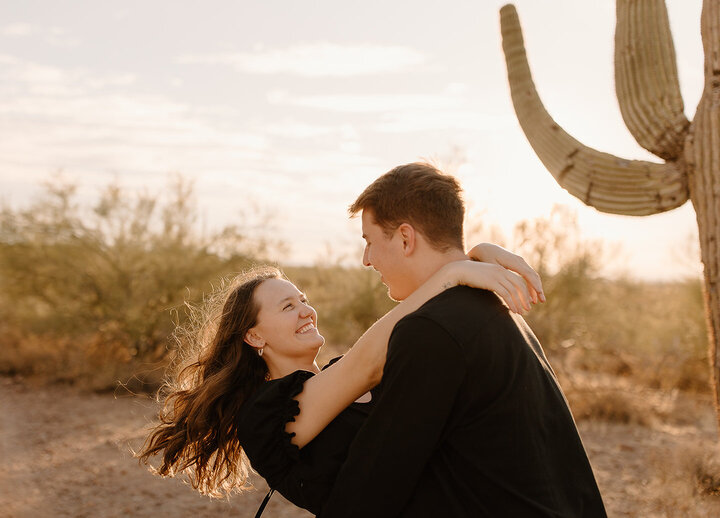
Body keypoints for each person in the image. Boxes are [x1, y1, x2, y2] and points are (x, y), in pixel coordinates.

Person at [138, 245, 543, 516]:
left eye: (304, 300)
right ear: (255, 336)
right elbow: (376, 352)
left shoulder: (339, 375)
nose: (306, 312)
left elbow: (414, 315)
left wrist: (480, 253)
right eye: (287, 306)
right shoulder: (263, 416)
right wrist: (457, 270)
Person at [319, 162, 606, 517]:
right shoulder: (495, 306)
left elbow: (373, 487)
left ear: (405, 238)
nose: (366, 260)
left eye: (370, 242)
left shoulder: (431, 329)